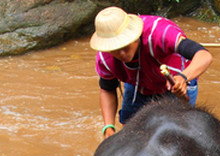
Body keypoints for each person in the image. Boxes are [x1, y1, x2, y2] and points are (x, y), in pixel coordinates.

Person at [90, 6, 212, 139]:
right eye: (115, 49)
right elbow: (107, 89)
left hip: (176, 81)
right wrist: (108, 127)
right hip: (138, 82)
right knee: (129, 134)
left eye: (124, 46)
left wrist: (183, 77)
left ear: (135, 37)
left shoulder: (160, 33)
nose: (121, 54)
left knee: (176, 136)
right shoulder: (105, 58)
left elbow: (204, 55)